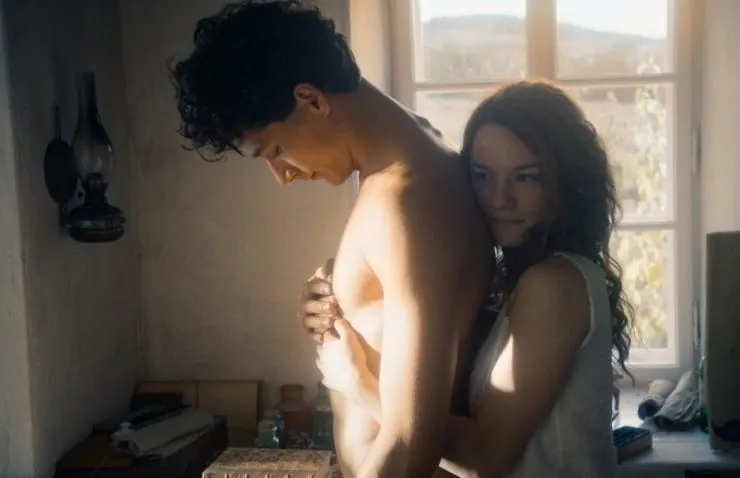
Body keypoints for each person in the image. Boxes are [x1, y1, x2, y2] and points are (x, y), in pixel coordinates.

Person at [169, 1, 492, 477]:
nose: (282, 176)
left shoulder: (406, 198)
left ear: (311, 99)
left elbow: (411, 445)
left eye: (275, 150)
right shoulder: (410, 162)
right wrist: (342, 290)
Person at [302, 80, 634, 478]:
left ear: (566, 182)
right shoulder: (516, 276)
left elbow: (485, 458)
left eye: (525, 177)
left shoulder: (555, 284)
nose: (499, 199)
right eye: (482, 175)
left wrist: (357, 383)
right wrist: (338, 288)